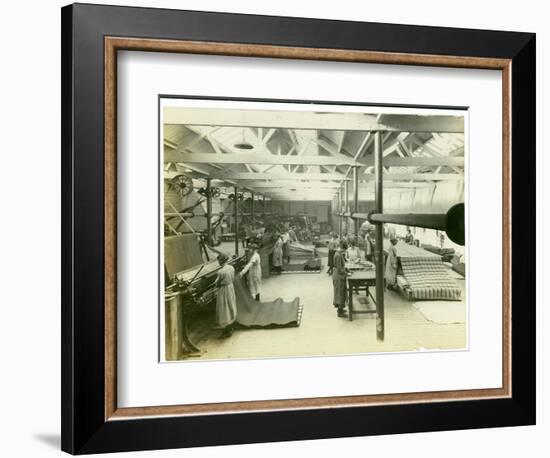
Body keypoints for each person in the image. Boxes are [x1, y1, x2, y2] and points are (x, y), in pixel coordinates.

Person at [214, 253, 237, 338]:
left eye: (219, 261)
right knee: (230, 305)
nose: (218, 263)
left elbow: (217, 283)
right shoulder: (231, 268)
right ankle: (230, 326)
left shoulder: (220, 271)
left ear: (220, 261)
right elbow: (233, 278)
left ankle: (226, 330)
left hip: (224, 290)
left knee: (224, 308)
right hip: (230, 288)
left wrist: (216, 285)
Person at [332, 241, 349, 318]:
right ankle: (340, 312)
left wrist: (346, 269)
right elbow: (339, 269)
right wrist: (346, 273)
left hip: (339, 275)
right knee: (340, 294)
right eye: (344, 250)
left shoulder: (338, 254)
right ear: (342, 248)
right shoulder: (338, 255)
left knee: (341, 293)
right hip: (338, 276)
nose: (345, 252)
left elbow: (341, 266)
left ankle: (341, 309)